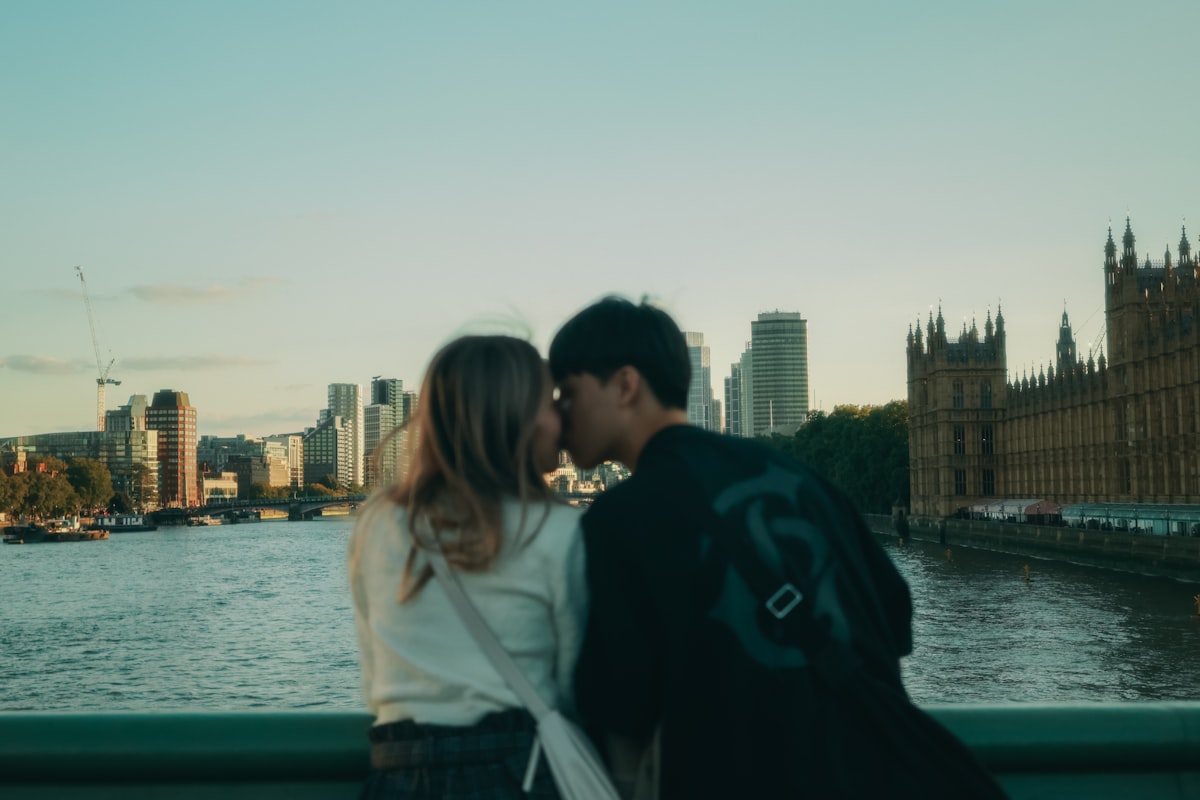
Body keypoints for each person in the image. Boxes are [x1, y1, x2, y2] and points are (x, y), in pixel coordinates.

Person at [549, 297, 1006, 799]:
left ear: (625, 385)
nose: (558, 415)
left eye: (567, 393)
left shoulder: (619, 519)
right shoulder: (803, 481)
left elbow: (622, 713)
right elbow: (893, 618)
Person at [349, 334, 587, 799]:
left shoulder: (377, 522)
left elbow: (374, 676)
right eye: (550, 403)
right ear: (514, 417)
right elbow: (574, 684)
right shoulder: (560, 529)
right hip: (518, 770)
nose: (563, 417)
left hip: (399, 771)